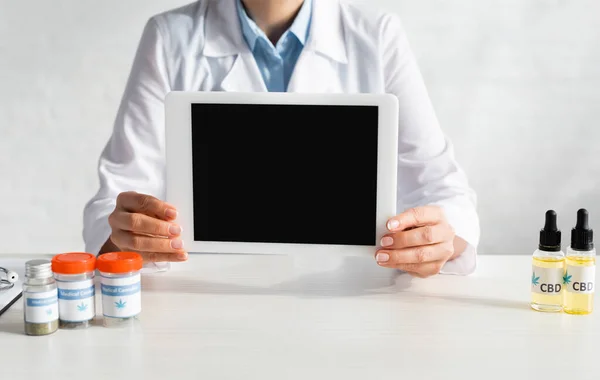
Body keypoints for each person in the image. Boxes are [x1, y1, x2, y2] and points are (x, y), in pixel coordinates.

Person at [83, 0, 480, 278]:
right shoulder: (169, 37)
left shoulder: (377, 36)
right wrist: (125, 233)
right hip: (205, 295)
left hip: (347, 296)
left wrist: (440, 239)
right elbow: (116, 197)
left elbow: (444, 189)